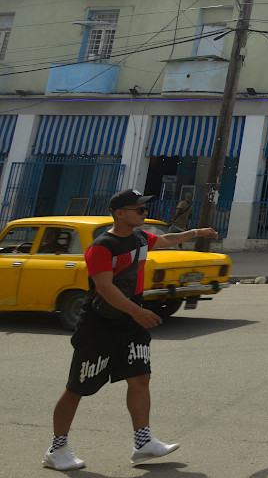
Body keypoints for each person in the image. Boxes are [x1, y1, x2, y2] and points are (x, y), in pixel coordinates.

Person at [44, 188, 219, 472]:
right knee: (78, 387)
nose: (144, 212)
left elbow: (164, 239)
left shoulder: (139, 237)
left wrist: (195, 232)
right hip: (99, 324)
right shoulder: (102, 246)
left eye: (144, 208)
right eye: (138, 209)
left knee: (140, 378)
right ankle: (57, 448)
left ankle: (143, 442)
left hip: (130, 322)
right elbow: (104, 287)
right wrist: (138, 311)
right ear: (119, 213)